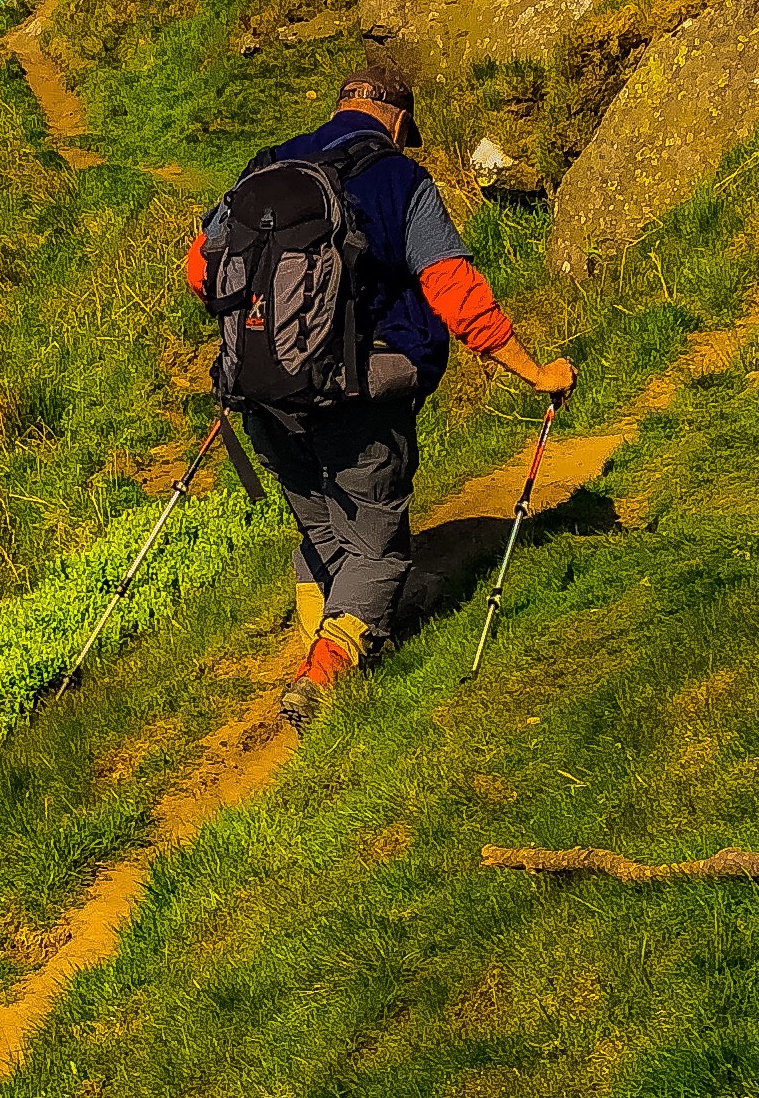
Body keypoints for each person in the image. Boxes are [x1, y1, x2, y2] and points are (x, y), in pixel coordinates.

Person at [186, 59, 574, 732]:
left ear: (340, 104)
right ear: (397, 118)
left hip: (263, 397)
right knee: (379, 548)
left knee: (320, 527)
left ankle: (335, 636)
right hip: (359, 396)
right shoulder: (401, 179)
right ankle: (323, 677)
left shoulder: (266, 168)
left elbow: (201, 269)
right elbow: (456, 292)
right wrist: (533, 371)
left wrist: (272, 342)